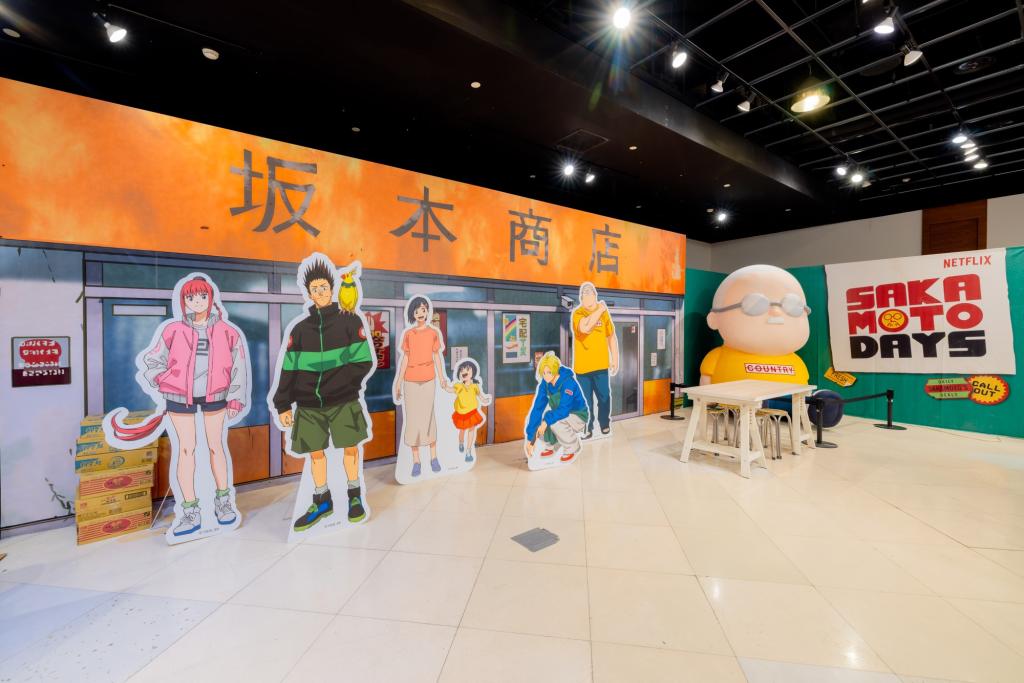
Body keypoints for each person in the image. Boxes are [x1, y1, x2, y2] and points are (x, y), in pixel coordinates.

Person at [107, 274, 249, 538]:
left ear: (211, 298)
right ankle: (190, 510)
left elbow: (239, 367)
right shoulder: (172, 330)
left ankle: (223, 501)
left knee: (216, 447)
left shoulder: (227, 332)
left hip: (216, 396)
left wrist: (235, 397)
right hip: (178, 397)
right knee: (186, 449)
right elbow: (152, 361)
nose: (198, 301)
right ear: (184, 301)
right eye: (191, 297)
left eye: (203, 296)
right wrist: (164, 380)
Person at [273, 258, 375, 530]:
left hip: (344, 401)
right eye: (314, 289)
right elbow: (288, 369)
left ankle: (354, 496)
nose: (319, 293)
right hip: (308, 405)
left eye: (323, 287)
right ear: (308, 293)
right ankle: (322, 501)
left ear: (332, 288)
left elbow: (363, 361)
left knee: (350, 448)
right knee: (315, 454)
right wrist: (283, 404)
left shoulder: (350, 321)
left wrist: (342, 383)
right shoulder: (299, 330)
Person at [701, 264, 811, 387]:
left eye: (793, 306)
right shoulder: (718, 358)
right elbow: (705, 385)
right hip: (731, 399)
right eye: (755, 304)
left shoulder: (796, 361)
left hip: (788, 400)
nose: (776, 311)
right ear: (714, 319)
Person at [394, 296, 448, 477]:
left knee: (428, 417)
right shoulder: (409, 334)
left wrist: (442, 378)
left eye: (423, 310)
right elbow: (405, 359)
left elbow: (437, 357)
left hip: (428, 380)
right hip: (410, 381)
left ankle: (434, 458)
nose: (420, 313)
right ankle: (416, 461)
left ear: (427, 312)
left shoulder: (433, 333)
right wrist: (398, 382)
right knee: (413, 420)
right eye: (416, 311)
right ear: (412, 314)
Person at [571, 282, 619, 438]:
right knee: (585, 401)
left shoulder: (604, 314)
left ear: (595, 296)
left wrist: (615, 359)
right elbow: (585, 328)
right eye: (584, 295)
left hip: (601, 366)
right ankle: (588, 427)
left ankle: (604, 423)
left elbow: (611, 336)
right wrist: (600, 309)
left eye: (590, 294)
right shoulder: (577, 314)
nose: (587, 298)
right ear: (581, 298)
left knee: (605, 397)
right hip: (583, 368)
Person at [524, 352, 589, 463]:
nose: (546, 376)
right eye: (543, 373)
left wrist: (546, 422)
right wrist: (530, 439)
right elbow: (537, 409)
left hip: (577, 416)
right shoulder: (545, 384)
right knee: (539, 424)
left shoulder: (568, 383)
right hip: (561, 415)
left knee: (552, 422)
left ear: (555, 370)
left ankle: (572, 447)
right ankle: (553, 444)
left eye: (549, 372)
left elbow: (564, 410)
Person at [443, 359, 491, 462]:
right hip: (461, 413)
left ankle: (468, 451)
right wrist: (445, 386)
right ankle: (461, 443)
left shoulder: (475, 386)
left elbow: (480, 395)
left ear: (473, 372)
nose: (464, 372)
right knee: (462, 430)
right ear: (459, 374)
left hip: (472, 412)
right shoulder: (459, 386)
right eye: (461, 370)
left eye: (467, 369)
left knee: (471, 430)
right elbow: (451, 390)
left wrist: (484, 400)